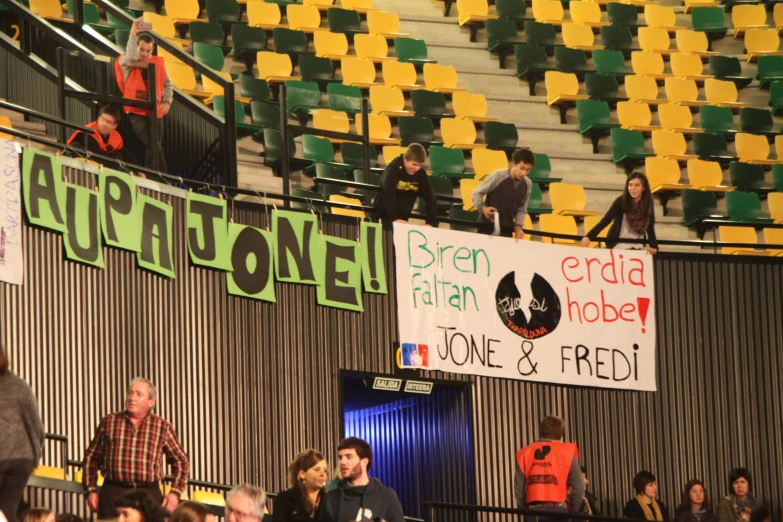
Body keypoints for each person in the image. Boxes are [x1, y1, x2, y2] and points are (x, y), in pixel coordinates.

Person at [82, 377, 190, 518]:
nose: (132, 398)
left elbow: (181, 461)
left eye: (139, 394)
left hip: (148, 494)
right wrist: (90, 491)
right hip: (113, 492)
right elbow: (91, 458)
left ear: (151, 401)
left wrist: (175, 493)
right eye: (130, 393)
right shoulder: (109, 422)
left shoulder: (162, 427)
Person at [116, 19, 173, 172]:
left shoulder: (158, 63)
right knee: (154, 147)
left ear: (152, 50)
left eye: (148, 51)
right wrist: (133, 33)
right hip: (136, 112)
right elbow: (130, 58)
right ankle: (165, 178)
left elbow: (168, 84)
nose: (145, 54)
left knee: (153, 148)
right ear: (136, 48)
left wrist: (167, 102)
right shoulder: (126, 61)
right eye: (142, 50)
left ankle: (150, 177)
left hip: (156, 112)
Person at [0, 347, 45, 522]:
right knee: (7, 511)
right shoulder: (20, 385)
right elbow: (37, 425)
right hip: (22, 460)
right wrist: (35, 456)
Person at [321, 437, 404, 522]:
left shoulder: (386, 496)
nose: (342, 462)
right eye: (340, 457)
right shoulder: (330, 499)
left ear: (364, 462)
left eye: (349, 457)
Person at [514, 415, 585, 515]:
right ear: (560, 433)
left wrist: (525, 511)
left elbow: (519, 488)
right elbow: (579, 485)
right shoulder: (567, 452)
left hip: (534, 511)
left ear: (541, 431)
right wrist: (573, 510)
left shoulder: (524, 453)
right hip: (560, 511)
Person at [581, 172, 658, 254]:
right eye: (630, 185)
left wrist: (654, 246)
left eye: (637, 185)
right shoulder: (620, 201)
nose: (632, 188)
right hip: (618, 246)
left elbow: (650, 226)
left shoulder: (648, 203)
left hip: (638, 247)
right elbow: (606, 220)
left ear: (643, 188)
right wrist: (589, 237)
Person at [471, 147, 535, 240]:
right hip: (486, 226)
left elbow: (522, 208)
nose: (524, 173)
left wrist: (518, 227)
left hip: (507, 229)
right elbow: (477, 193)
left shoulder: (528, 184)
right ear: (514, 164)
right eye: (522, 168)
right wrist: (483, 208)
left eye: (527, 170)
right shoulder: (498, 176)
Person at [373, 143, 438, 227]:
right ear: (405, 160)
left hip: (402, 220)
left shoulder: (421, 173)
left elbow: (430, 198)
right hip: (382, 218)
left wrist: (430, 223)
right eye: (414, 164)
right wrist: (394, 218)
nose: (416, 168)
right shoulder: (393, 169)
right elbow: (388, 195)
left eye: (419, 165)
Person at [66, 106, 135, 165]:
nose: (104, 124)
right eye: (102, 119)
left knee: (117, 156)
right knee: (75, 146)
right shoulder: (87, 132)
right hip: (78, 166)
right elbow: (99, 157)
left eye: (109, 122)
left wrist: (139, 171)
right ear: (98, 119)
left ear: (114, 126)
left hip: (99, 167)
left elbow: (127, 155)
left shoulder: (115, 137)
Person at [274, 449, 328, 522]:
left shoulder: (329, 500)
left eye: (325, 470)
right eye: (317, 470)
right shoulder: (285, 499)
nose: (322, 474)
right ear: (302, 474)